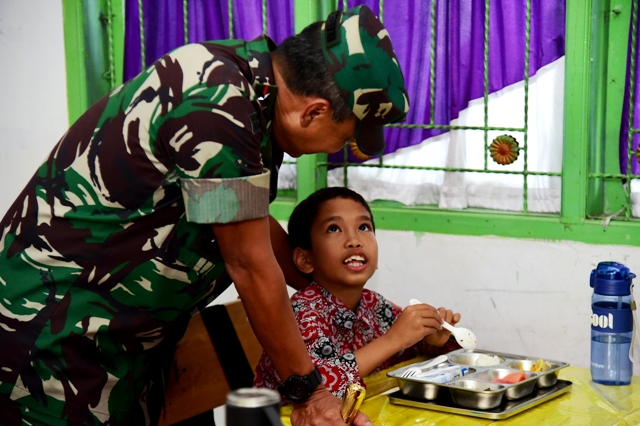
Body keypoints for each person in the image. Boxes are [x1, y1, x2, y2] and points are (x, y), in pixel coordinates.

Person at [0, 5, 409, 426]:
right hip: (52, 340)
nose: (333, 149)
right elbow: (248, 263)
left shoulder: (257, 94)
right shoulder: (217, 102)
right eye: (341, 139)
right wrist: (308, 389)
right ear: (314, 112)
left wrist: (323, 287)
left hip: (122, 349)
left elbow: (244, 215)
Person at [253, 187, 462, 399]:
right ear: (306, 260)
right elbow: (317, 388)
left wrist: (432, 341)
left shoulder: (375, 305)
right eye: (334, 229)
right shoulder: (302, 314)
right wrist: (394, 339)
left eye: (363, 227)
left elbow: (410, 353)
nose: (354, 240)